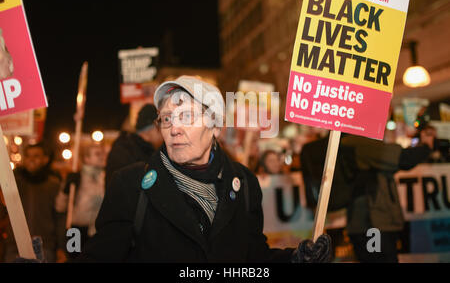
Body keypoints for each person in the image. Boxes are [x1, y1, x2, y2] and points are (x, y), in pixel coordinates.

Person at [76, 75, 331, 262]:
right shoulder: (131, 185)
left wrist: (296, 259)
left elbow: (252, 258)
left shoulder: (244, 183)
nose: (174, 129)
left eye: (186, 116)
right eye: (166, 118)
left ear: (216, 127)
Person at [301, 131, 435, 263]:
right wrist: (427, 146)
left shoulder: (348, 142)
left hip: (365, 225)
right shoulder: (359, 143)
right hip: (373, 225)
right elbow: (404, 159)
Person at [2, 143, 66, 263]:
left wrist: (62, 247)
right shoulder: (14, 182)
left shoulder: (54, 185)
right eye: (28, 156)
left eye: (36, 156)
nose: (31, 159)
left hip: (44, 245)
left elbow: (60, 217)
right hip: (14, 244)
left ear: (45, 159)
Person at [55, 143, 107, 258]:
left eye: (103, 153)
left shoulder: (106, 177)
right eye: (97, 154)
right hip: (76, 229)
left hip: (97, 230)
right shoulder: (76, 177)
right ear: (86, 158)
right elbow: (60, 207)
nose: (102, 156)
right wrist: (66, 190)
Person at [105, 103, 163, 188]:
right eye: (162, 128)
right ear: (154, 127)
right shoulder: (127, 150)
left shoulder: (135, 147)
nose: (164, 134)